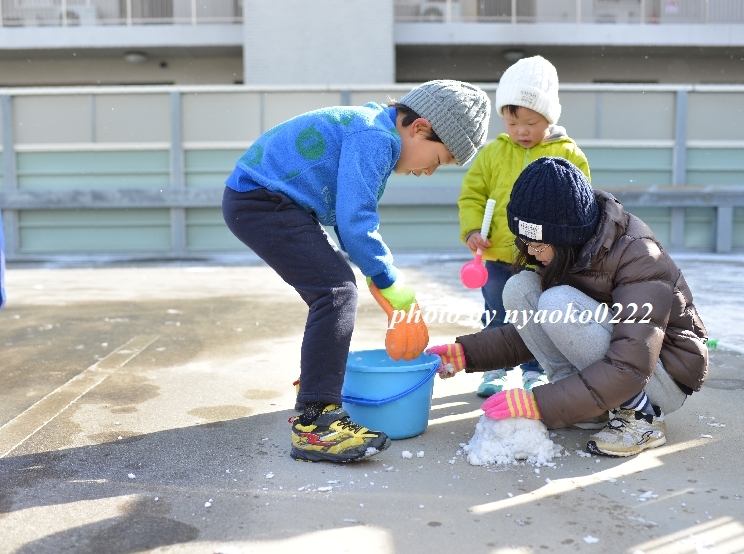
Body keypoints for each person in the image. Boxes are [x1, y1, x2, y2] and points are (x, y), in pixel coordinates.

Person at [223, 81, 491, 463]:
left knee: (334, 287)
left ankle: (321, 381)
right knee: (335, 292)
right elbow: (354, 223)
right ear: (419, 128)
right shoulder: (376, 137)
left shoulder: (373, 129)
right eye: (439, 158)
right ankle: (317, 423)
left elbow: (351, 227)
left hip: (267, 200)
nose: (430, 171)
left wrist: (375, 271)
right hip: (261, 200)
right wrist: (387, 277)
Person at [429, 157, 708, 457]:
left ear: (566, 237)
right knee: (520, 288)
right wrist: (467, 354)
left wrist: (541, 403)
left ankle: (641, 417)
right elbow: (539, 333)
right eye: (524, 243)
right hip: (616, 366)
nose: (532, 254)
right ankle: (588, 409)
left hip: (659, 375)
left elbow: (631, 362)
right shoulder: (567, 250)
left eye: (538, 245)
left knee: (556, 301)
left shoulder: (638, 255)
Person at [458, 55, 591, 398]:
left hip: (544, 259)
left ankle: (537, 370)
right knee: (496, 313)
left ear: (549, 117)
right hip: (498, 253)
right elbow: (472, 195)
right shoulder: (492, 154)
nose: (520, 131)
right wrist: (473, 230)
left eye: (531, 122)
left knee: (537, 316)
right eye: (512, 121)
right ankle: (495, 369)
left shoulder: (568, 153)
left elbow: (582, 203)